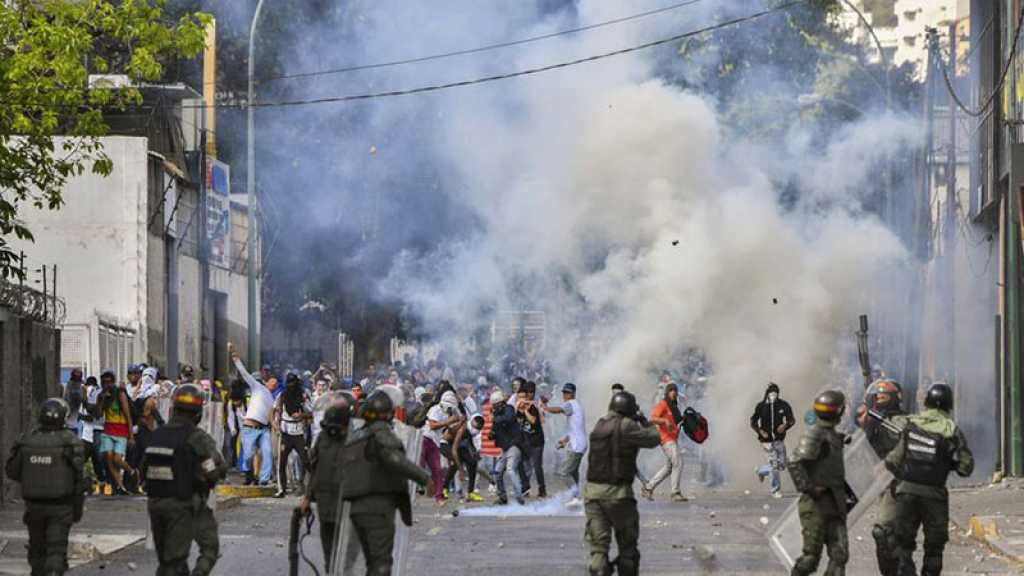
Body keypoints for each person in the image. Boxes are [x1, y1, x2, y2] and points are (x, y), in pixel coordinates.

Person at [884, 383, 974, 576]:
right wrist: (951, 464)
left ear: (926, 403)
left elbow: (892, 461)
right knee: (934, 549)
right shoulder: (952, 430)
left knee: (903, 546)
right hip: (934, 495)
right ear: (949, 404)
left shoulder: (911, 424)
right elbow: (967, 468)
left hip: (906, 493)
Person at [341, 391, 431, 575]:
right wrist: (424, 478)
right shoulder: (381, 434)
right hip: (378, 508)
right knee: (381, 563)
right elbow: (394, 459)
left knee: (369, 561)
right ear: (388, 413)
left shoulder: (355, 437)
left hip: (355, 508)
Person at [142, 383, 228, 576]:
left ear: (173, 409)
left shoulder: (157, 435)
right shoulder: (196, 437)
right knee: (205, 550)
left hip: (154, 505)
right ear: (198, 413)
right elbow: (214, 469)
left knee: (167, 561)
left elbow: (143, 470)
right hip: (185, 505)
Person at [5, 398, 86, 576]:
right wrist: (77, 507)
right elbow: (79, 477)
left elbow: (12, 471)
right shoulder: (70, 442)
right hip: (61, 507)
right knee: (56, 550)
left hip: (34, 506)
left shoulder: (26, 440)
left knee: (37, 548)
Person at [584, 391, 660, 576]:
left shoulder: (599, 425)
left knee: (598, 550)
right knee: (628, 551)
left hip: (592, 495)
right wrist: (644, 420)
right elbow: (654, 438)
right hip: (619, 495)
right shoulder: (627, 425)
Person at [788, 390, 849, 576]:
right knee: (810, 559)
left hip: (835, 503)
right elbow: (794, 461)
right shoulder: (815, 434)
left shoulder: (830, 435)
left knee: (839, 556)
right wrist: (809, 488)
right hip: (816, 505)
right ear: (839, 411)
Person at [856, 379, 905, 576]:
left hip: (902, 482)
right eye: (876, 396)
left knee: (888, 533)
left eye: (884, 396)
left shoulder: (903, 421)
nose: (879, 399)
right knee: (887, 535)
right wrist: (866, 423)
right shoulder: (870, 421)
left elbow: (901, 438)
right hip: (883, 485)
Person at [300, 400, 351, 573]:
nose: (333, 431)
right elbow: (314, 468)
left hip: (346, 504)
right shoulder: (322, 437)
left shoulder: (357, 440)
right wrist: (307, 497)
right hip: (325, 501)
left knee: (344, 550)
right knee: (328, 549)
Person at [230, 344, 275, 486]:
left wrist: (273, 425)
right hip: (249, 428)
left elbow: (271, 414)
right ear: (266, 382)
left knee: (266, 453)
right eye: (271, 381)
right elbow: (244, 373)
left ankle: (263, 480)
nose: (274, 382)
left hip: (263, 428)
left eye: (275, 382)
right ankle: (250, 477)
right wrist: (235, 357)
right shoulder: (257, 388)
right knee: (248, 455)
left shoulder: (272, 399)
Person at [542, 382, 587, 501]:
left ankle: (576, 498)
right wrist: (565, 440)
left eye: (567, 392)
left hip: (577, 446)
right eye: (564, 392)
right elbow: (575, 428)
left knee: (564, 472)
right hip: (578, 443)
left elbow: (558, 409)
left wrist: (545, 408)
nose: (565, 395)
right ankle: (576, 498)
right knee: (573, 473)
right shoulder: (576, 406)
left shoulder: (571, 404)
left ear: (573, 393)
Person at [643, 383, 687, 502]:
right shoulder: (663, 404)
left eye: (675, 391)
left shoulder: (674, 406)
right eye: (671, 390)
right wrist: (663, 421)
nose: (673, 393)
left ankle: (648, 488)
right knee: (678, 462)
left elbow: (678, 422)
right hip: (666, 439)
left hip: (673, 439)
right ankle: (675, 492)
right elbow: (652, 418)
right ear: (667, 392)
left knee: (669, 467)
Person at [750, 382, 796, 498]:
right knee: (774, 465)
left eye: (775, 393)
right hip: (766, 441)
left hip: (779, 440)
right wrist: (760, 431)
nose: (773, 396)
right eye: (771, 393)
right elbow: (753, 421)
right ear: (767, 394)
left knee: (782, 465)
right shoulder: (761, 406)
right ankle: (775, 490)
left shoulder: (783, 405)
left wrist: (785, 426)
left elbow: (792, 420)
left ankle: (761, 471)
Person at [96, 370, 136, 495]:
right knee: (109, 458)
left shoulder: (120, 393)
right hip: (108, 429)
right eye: (104, 382)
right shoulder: (102, 395)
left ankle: (132, 472)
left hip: (121, 430)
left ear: (113, 382)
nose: (107, 385)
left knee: (117, 459)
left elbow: (128, 415)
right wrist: (102, 400)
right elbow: (98, 414)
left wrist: (131, 436)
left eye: (109, 382)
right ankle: (120, 486)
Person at [273, 373, 311, 498]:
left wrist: (302, 415)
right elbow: (275, 409)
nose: (291, 386)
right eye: (289, 383)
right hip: (286, 433)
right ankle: (281, 489)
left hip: (299, 433)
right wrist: (275, 423)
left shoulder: (303, 396)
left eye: (293, 383)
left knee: (305, 461)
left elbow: (311, 413)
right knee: (281, 462)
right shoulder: (282, 396)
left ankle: (312, 485)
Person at [490, 389, 526, 505]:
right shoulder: (496, 415)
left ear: (501, 403)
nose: (495, 408)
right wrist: (492, 434)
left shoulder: (509, 409)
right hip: (505, 449)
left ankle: (519, 496)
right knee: (497, 472)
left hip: (514, 445)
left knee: (511, 470)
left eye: (496, 405)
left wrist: (495, 419)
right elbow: (495, 430)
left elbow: (508, 419)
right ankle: (502, 497)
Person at [516, 380, 546, 498]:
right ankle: (525, 486)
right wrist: (518, 408)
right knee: (520, 464)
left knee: (537, 466)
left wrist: (525, 410)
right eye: (528, 392)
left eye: (532, 392)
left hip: (537, 441)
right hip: (525, 442)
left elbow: (533, 421)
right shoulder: (518, 407)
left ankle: (542, 489)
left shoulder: (532, 407)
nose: (531, 394)